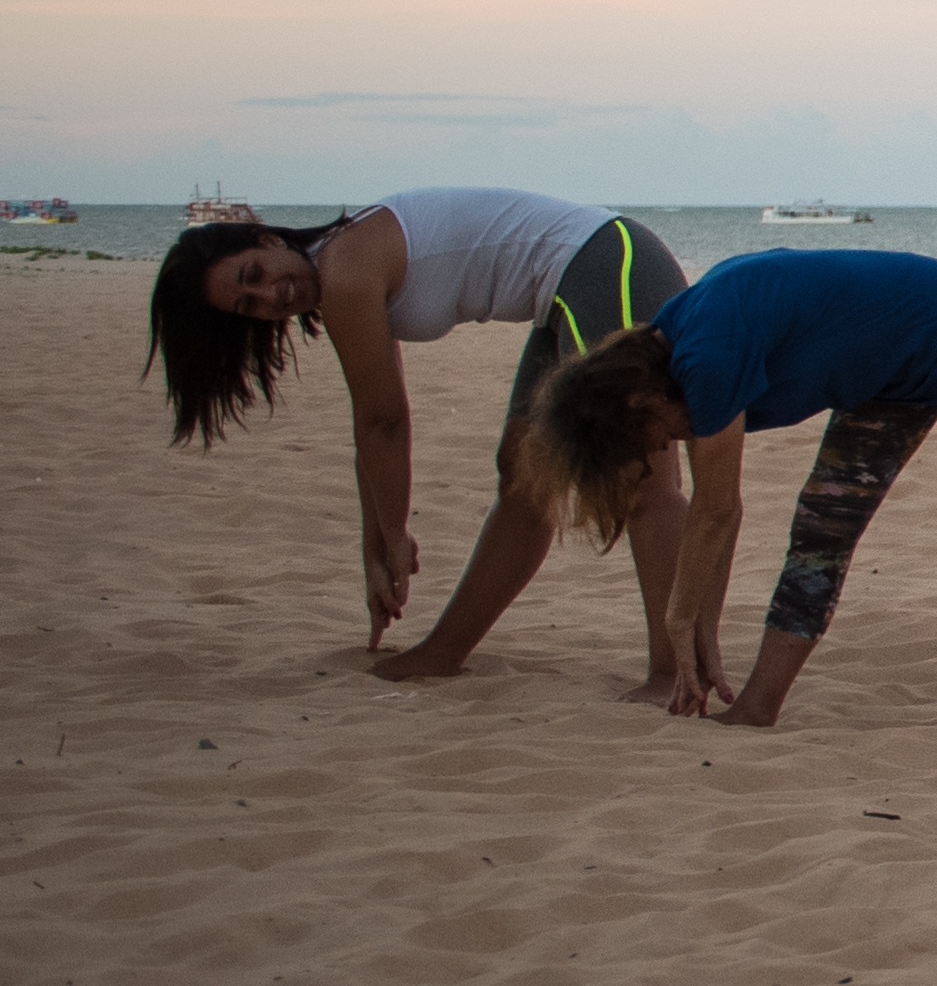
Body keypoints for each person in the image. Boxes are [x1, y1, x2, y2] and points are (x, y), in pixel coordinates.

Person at [519, 247, 937, 727]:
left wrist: (680, 620)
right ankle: (757, 708)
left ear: (637, 400)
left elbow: (718, 510)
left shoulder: (706, 359)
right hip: (885, 367)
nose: (659, 448)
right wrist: (701, 630)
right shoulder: (679, 346)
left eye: (646, 438)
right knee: (822, 527)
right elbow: (716, 520)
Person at [147, 188, 693, 681]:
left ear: (267, 240)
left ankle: (674, 672)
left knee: (644, 482)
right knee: (523, 477)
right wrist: (376, 546)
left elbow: (385, 421)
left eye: (255, 274)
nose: (270, 294)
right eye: (250, 305)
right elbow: (370, 425)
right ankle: (443, 654)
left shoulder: (344, 268)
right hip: (568, 292)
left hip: (608, 263)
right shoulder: (340, 270)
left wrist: (394, 535)